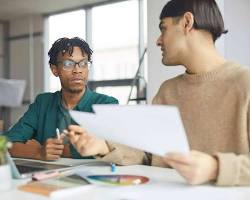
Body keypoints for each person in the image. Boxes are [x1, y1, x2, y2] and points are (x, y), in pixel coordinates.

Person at [151, 0, 250, 186]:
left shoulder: (245, 84)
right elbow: (151, 154)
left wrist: (216, 168)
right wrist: (103, 146)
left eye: (163, 29)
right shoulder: (167, 91)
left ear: (187, 22)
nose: (158, 40)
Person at [4, 37, 146, 163]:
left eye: (83, 63)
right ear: (55, 70)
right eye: (68, 64)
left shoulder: (107, 104)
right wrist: (38, 152)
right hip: (46, 180)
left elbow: (116, 149)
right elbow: (6, 143)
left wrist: (58, 150)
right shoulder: (43, 102)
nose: (77, 70)